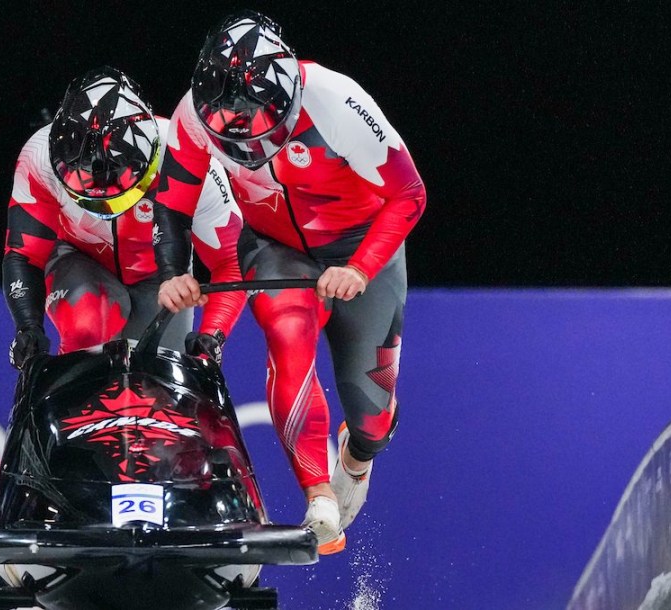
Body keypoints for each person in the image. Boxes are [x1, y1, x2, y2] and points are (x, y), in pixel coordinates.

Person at [154, 10, 427, 555]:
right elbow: (173, 204)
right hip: (275, 248)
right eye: (227, 134)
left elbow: (409, 194)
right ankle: (318, 493)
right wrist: (174, 272)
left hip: (361, 247)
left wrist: (360, 268)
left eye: (257, 131)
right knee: (286, 328)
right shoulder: (191, 113)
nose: (246, 149)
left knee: (371, 416)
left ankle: (356, 455)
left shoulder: (336, 101)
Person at [3, 66, 245, 370]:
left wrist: (212, 335)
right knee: (88, 325)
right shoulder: (38, 158)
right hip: (78, 259)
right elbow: (24, 256)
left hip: (160, 272)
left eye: (118, 195)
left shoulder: (187, 154)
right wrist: (28, 328)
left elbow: (231, 260)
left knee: (161, 387)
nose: (104, 204)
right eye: (89, 196)